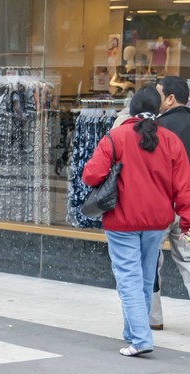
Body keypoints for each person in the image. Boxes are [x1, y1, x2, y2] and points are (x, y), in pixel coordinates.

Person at [83, 85, 190, 356]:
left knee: (128, 278)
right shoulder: (170, 141)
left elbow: (91, 176)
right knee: (143, 278)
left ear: (131, 109)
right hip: (158, 221)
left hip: (122, 220)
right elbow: (184, 187)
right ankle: (132, 333)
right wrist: (187, 221)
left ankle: (141, 339)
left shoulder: (115, 137)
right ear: (158, 109)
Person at [148, 76, 190, 330]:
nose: (156, 100)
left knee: (152, 259)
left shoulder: (156, 128)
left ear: (171, 98)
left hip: (161, 206)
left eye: (159, 95)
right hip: (189, 208)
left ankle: (153, 319)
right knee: (188, 258)